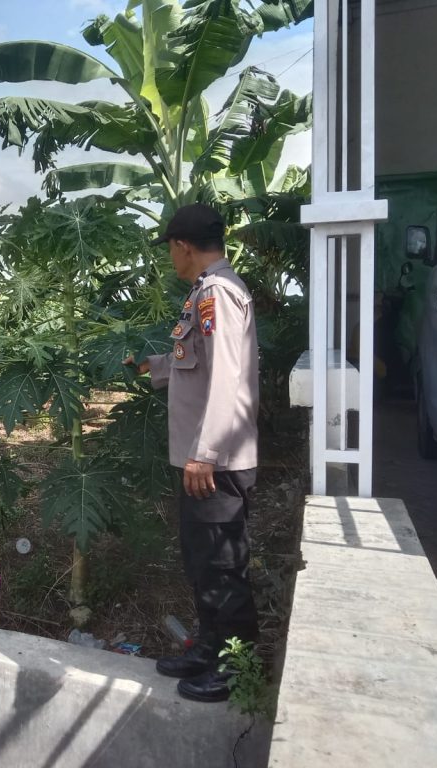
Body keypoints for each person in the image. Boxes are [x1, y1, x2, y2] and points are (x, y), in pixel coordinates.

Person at [126, 204, 260, 703]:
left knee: (223, 564)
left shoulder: (218, 295)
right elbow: (195, 363)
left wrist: (205, 453)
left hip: (216, 462)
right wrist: (150, 365)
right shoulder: (206, 292)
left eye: (171, 250)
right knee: (203, 562)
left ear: (182, 245)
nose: (171, 260)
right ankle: (210, 650)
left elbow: (228, 377)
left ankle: (234, 668)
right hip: (205, 459)